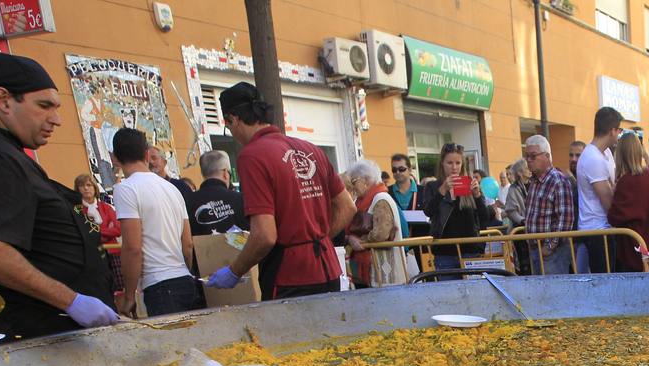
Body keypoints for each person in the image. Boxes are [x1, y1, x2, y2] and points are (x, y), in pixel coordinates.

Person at [0, 53, 119, 338]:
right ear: (3, 100)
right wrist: (71, 301)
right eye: (44, 105)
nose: (57, 119)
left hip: (60, 330)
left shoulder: (1, 148)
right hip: (44, 332)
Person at [204, 82, 355, 300]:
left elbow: (264, 235)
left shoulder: (252, 156)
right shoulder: (310, 148)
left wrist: (234, 271)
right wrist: (318, 238)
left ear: (234, 119)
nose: (233, 133)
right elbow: (347, 206)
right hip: (328, 269)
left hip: (289, 277)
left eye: (229, 125)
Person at [110, 127, 198, 317]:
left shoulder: (125, 189)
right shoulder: (172, 188)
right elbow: (188, 244)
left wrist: (129, 295)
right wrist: (185, 270)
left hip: (159, 284)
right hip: (184, 279)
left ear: (114, 158)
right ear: (147, 154)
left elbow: (132, 247)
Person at [419, 142, 489, 277]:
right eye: (449, 163)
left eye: (458, 163)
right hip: (444, 252)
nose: (454, 167)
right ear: (442, 164)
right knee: (449, 295)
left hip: (470, 250)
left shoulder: (468, 183)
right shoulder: (433, 186)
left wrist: (477, 196)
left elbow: (484, 216)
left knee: (472, 293)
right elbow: (428, 211)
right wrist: (442, 190)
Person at [607, 131, 649, 272]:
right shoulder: (648, 175)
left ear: (620, 154)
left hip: (636, 249)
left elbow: (614, 216)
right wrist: (645, 154)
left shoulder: (625, 182)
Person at [343, 158, 404, 288]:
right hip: (369, 268)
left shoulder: (381, 199)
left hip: (383, 270)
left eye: (354, 181)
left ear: (365, 180)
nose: (352, 187)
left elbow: (381, 233)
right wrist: (350, 239)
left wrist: (359, 241)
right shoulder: (362, 201)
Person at [576, 108, 623, 273]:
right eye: (619, 130)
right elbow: (607, 200)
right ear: (612, 131)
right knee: (604, 284)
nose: (619, 135)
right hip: (597, 231)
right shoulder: (593, 158)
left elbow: (611, 186)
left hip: (603, 228)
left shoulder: (606, 154)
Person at [522, 134, 575, 276]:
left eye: (533, 156)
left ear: (546, 156)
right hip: (535, 248)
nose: (528, 160)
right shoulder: (534, 181)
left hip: (552, 253)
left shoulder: (558, 181)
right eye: (526, 156)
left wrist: (550, 246)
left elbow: (565, 220)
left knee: (554, 293)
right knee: (541, 294)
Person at [186, 149, 247, 236]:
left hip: (204, 249)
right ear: (225, 173)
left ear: (203, 174)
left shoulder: (188, 202)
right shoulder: (240, 199)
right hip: (242, 249)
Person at [500, 158, 531, 273]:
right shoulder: (514, 189)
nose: (530, 171)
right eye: (527, 168)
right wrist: (522, 221)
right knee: (524, 262)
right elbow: (511, 210)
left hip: (532, 230)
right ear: (520, 172)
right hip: (520, 231)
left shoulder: (533, 184)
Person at [75, 174, 120, 243]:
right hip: (90, 250)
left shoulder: (106, 207)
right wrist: (108, 230)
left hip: (112, 250)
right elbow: (79, 233)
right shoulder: (77, 210)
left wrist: (94, 232)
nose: (86, 188)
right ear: (78, 189)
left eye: (89, 185)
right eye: (81, 186)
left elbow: (118, 230)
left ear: (95, 187)